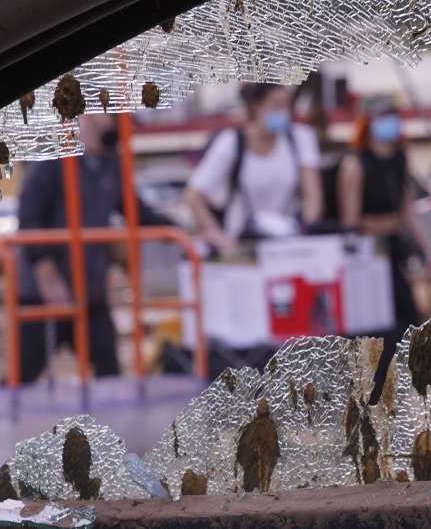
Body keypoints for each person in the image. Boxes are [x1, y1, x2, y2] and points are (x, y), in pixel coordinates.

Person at [17, 114, 168, 383]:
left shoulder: (111, 164)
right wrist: (46, 276)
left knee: (108, 367)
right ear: (90, 115)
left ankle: (112, 424)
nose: (119, 129)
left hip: (89, 291)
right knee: (26, 371)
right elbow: (29, 217)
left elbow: (135, 210)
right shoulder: (54, 159)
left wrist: (178, 230)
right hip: (43, 295)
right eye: (114, 119)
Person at [337, 96, 431, 343]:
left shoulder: (399, 159)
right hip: (368, 255)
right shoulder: (355, 165)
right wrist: (389, 224)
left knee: (408, 319)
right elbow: (351, 223)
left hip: (395, 251)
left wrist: (428, 253)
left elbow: (408, 213)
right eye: (383, 117)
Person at [185, 83, 323, 256]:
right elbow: (193, 196)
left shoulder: (300, 138)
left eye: (286, 105)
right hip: (243, 247)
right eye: (276, 105)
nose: (283, 113)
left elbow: (313, 197)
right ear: (257, 107)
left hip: (289, 245)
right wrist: (218, 237)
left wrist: (306, 234)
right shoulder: (232, 142)